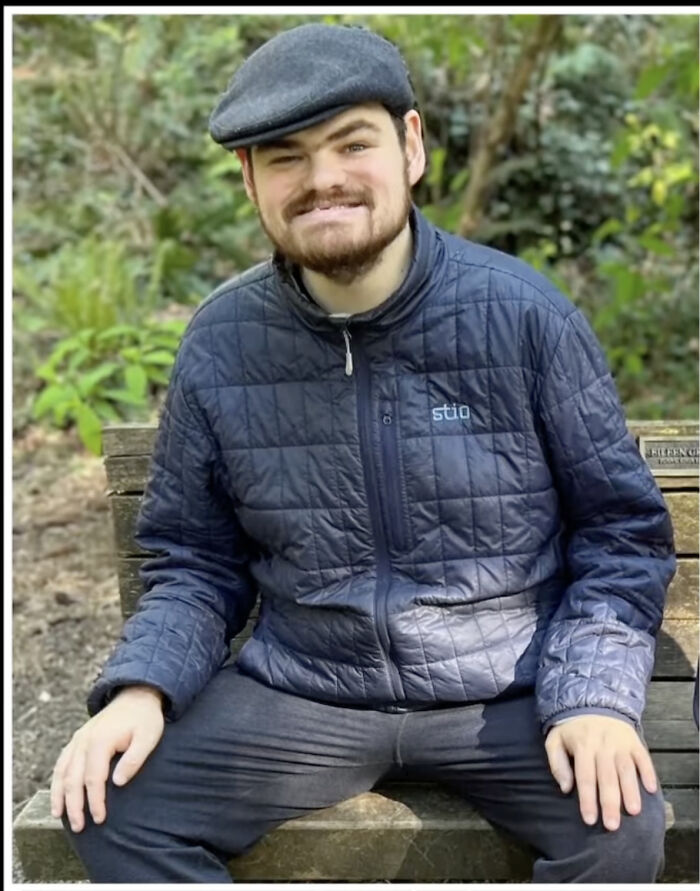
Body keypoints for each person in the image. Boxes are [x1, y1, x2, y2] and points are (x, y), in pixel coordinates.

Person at [51, 22, 677, 883]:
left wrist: (594, 697)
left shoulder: (523, 316)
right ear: (251, 181)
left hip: (507, 689)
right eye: (286, 158)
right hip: (306, 689)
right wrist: (142, 688)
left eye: (352, 144)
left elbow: (621, 534)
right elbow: (193, 558)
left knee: (619, 826)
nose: (323, 179)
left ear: (410, 146)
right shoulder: (222, 344)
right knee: (111, 806)